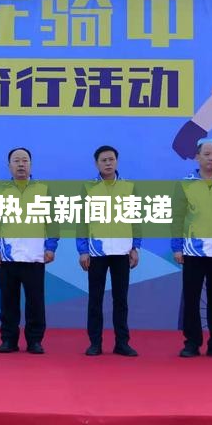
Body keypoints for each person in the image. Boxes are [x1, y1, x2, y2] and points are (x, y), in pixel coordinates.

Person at [0, 147, 58, 355]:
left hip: (35, 257)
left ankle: (35, 340)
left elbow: (52, 223)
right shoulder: (0, 191)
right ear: (9, 165)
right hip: (7, 257)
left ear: (31, 165)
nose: (21, 164)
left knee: (35, 302)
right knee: (8, 302)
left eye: (25, 160)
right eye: (16, 161)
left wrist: (50, 247)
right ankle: (8, 340)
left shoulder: (42, 190)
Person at [76, 145, 141, 357]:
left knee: (121, 300)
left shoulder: (129, 187)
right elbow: (81, 222)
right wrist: (83, 250)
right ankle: (95, 343)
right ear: (97, 164)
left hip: (122, 252)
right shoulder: (88, 188)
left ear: (117, 161)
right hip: (97, 252)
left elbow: (136, 220)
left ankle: (122, 343)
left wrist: (135, 247)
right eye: (103, 160)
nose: (108, 163)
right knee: (95, 300)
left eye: (111, 159)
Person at [171, 138, 212, 357]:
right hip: (193, 251)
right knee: (191, 298)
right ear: (197, 157)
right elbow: (177, 218)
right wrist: (177, 247)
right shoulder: (185, 184)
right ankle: (192, 342)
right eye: (207, 154)